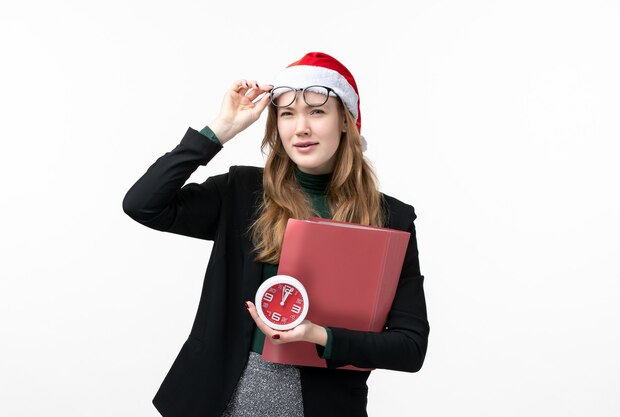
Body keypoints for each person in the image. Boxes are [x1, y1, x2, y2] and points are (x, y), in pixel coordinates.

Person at [123, 52, 429, 417]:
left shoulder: (390, 219)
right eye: (287, 114)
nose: (301, 128)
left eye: (317, 112)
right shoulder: (242, 192)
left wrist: (320, 336)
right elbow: (143, 204)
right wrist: (219, 130)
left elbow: (410, 348)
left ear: (345, 121)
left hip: (321, 406)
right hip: (216, 401)